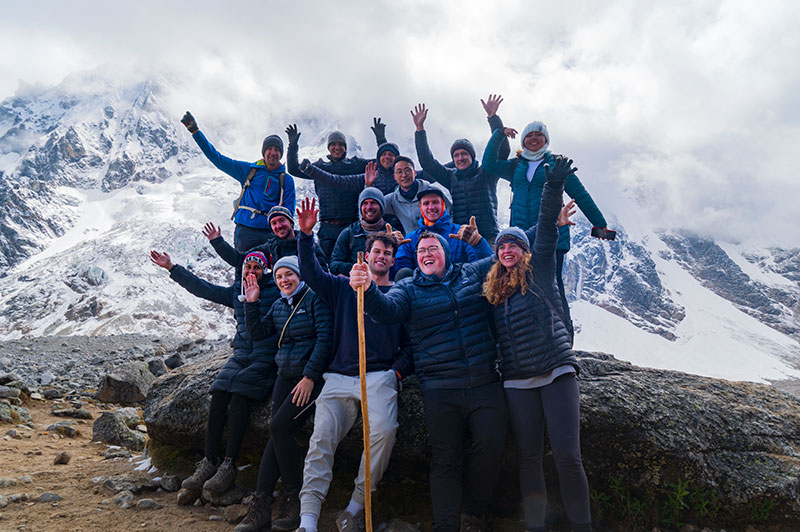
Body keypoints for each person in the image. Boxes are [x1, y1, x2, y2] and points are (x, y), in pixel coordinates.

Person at [349, 232, 507, 532]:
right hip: (440, 387)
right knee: (446, 458)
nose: (426, 253)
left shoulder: (469, 273)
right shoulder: (408, 289)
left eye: (433, 248)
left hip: (484, 380)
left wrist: (553, 219)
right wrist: (368, 289)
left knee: (491, 444)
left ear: (446, 253)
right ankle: (445, 525)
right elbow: (386, 311)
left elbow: (503, 256)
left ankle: (474, 512)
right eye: (421, 250)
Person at [481, 156, 592, 532]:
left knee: (567, 457)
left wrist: (552, 185)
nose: (507, 249)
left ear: (525, 251)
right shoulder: (493, 290)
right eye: (502, 246)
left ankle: (582, 527)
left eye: (514, 245)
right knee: (528, 458)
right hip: (517, 380)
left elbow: (546, 226)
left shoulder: (539, 269)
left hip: (556, 371)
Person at [295, 197, 413, 532]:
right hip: (338, 377)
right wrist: (305, 236)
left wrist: (397, 372)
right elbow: (312, 275)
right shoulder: (343, 287)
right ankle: (308, 518)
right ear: (367, 254)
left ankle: (357, 503)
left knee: (385, 432)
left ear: (393, 259)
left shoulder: (400, 295)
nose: (382, 256)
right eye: (377, 251)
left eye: (388, 253)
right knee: (321, 439)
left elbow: (410, 345)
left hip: (379, 377)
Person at [149, 249, 277, 502]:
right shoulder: (235, 291)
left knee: (241, 394)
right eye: (248, 267)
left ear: (265, 271)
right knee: (219, 392)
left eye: (257, 268)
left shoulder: (276, 291)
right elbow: (203, 288)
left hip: (266, 355)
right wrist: (173, 268)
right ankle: (209, 461)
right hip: (241, 354)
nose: (251, 272)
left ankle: (229, 465)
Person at [482, 122, 608, 338]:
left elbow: (581, 194)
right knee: (524, 286)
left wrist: (600, 224)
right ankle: (535, 338)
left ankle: (564, 337)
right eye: (529, 135)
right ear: (523, 141)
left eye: (538, 135)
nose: (533, 139)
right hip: (523, 238)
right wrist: (498, 134)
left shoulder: (557, 165)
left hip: (552, 234)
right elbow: (489, 164)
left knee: (553, 285)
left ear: (546, 140)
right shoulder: (516, 166)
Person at [236, 256, 333, 532]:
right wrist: (252, 303)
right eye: (279, 277)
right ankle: (261, 506)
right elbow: (258, 333)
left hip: (310, 379)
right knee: (274, 434)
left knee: (279, 427)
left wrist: (310, 377)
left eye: (288, 275)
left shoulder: (315, 299)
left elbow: (326, 339)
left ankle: (294, 499)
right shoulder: (279, 305)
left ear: (300, 276)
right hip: (285, 376)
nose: (283, 281)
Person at [180, 111, 295, 251]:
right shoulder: (249, 170)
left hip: (270, 232)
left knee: (272, 271)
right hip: (245, 230)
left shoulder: (286, 180)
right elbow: (217, 159)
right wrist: (195, 131)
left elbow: (289, 211)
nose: (273, 153)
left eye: (277, 150)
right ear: (263, 152)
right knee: (242, 269)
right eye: (269, 149)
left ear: (281, 154)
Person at [411, 95, 510, 244]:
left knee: (492, 268)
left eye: (464, 153)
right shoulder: (450, 176)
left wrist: (493, 117)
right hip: (461, 237)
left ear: (472, 156)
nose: (460, 158)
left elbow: (502, 151)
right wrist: (419, 129)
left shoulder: (486, 172)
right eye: (456, 155)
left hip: (488, 236)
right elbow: (427, 162)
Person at [286, 119, 388, 259]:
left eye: (340, 144)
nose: (337, 147)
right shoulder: (320, 167)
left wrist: (381, 139)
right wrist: (293, 146)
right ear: (328, 147)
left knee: (351, 262)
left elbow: (383, 163)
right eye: (333, 144)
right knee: (326, 265)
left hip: (351, 225)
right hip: (327, 227)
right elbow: (293, 169)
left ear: (345, 147)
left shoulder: (355, 165)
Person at [202, 205, 328, 284]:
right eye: (274, 223)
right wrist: (217, 242)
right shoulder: (270, 247)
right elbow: (240, 259)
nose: (278, 226)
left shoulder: (308, 243)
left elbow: (323, 273)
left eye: (282, 220)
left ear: (291, 223)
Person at [393, 188, 491, 271]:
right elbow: (400, 272)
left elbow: (485, 266)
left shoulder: (462, 233)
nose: (431, 207)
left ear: (443, 205)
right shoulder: (410, 239)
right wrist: (391, 248)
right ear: (420, 207)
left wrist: (478, 244)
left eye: (435, 202)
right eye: (426, 203)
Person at [328, 182, 393, 276]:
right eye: (365, 203)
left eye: (373, 203)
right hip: (356, 284)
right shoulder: (349, 233)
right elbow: (334, 264)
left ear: (382, 206)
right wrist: (357, 269)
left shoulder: (391, 233)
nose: (369, 207)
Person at [383, 156, 452, 235]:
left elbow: (451, 211)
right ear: (394, 177)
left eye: (407, 170)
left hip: (438, 242)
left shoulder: (432, 192)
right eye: (399, 172)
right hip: (412, 244)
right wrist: (369, 185)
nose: (404, 175)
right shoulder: (392, 200)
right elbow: (373, 207)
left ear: (415, 173)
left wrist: (448, 234)